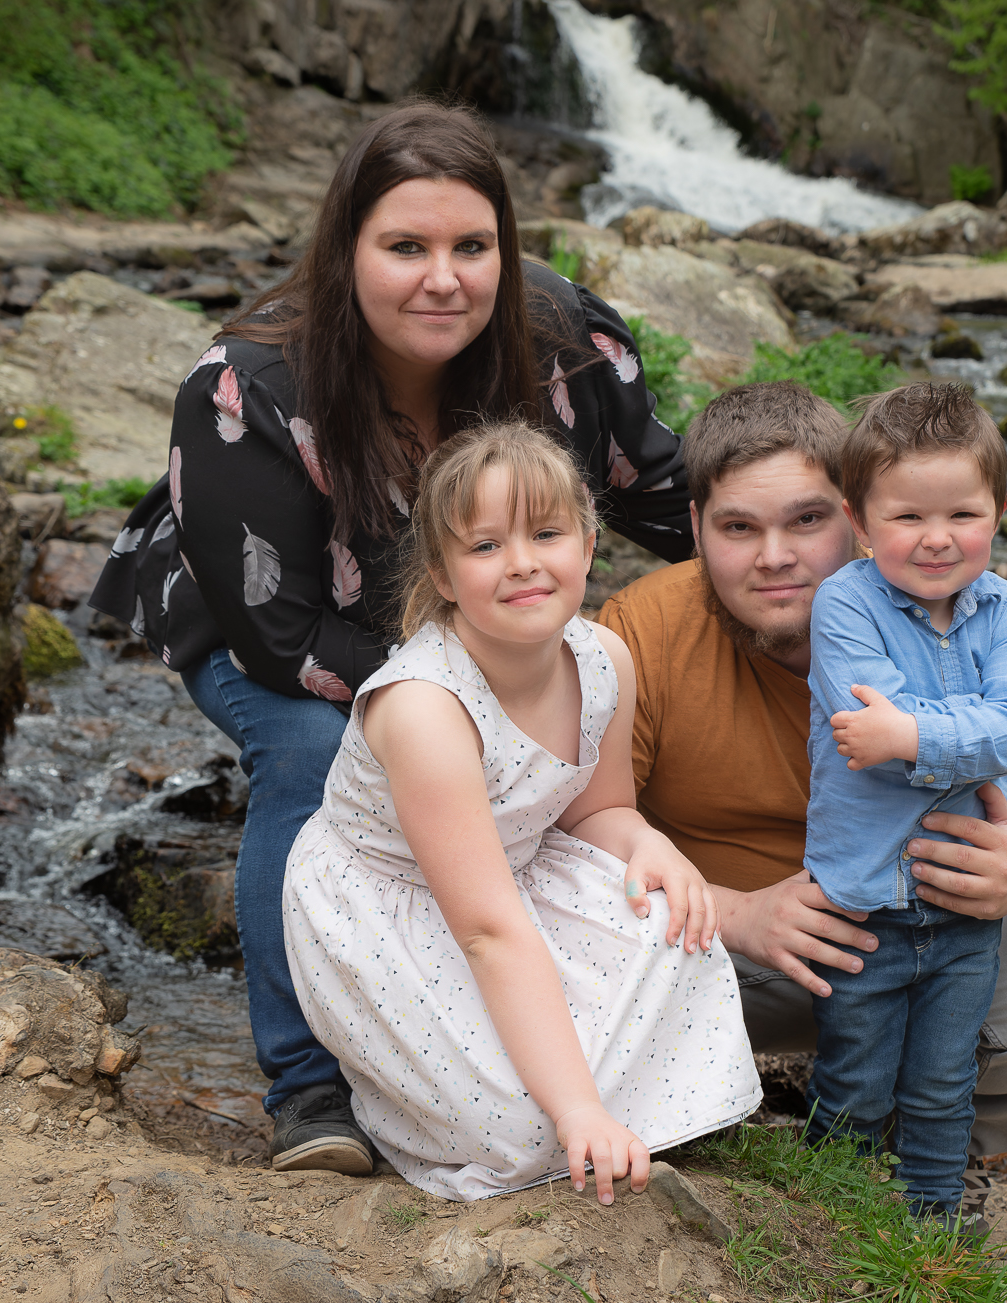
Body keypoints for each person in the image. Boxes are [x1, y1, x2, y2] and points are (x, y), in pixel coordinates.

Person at [88, 101, 697, 1173]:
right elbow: (281, 637)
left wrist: (826, 540)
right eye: (404, 247)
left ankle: (527, 1013)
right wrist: (475, 700)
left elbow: (658, 486)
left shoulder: (561, 346)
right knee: (316, 754)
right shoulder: (247, 390)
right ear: (345, 249)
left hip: (473, 627)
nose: (443, 278)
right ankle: (308, 1086)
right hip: (266, 630)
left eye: (472, 247)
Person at [596, 380, 1007, 1175]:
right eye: (739, 527)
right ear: (696, 528)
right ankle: (699, 1122)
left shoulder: (977, 633)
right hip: (730, 959)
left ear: (854, 518)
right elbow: (580, 830)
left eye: (806, 520)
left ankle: (933, 1157)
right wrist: (738, 914)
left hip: (936, 939)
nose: (775, 557)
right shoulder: (643, 629)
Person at [281, 422, 760, 1201]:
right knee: (530, 1130)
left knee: (673, 931)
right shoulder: (425, 710)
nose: (524, 564)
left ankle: (606, 1095)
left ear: (589, 541)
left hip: (518, 869)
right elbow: (487, 931)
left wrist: (648, 842)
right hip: (395, 907)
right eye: (485, 547)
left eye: (546, 532)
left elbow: (597, 810)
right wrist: (575, 1113)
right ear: (440, 571)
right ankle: (409, 1095)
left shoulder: (604, 658)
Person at [802, 383, 1007, 1226]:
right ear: (859, 522)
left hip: (963, 908)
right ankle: (832, 1223)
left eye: (962, 514)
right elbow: (863, 723)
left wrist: (909, 733)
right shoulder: (843, 602)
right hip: (862, 898)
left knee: (944, 1083)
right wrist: (948, 738)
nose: (936, 539)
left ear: (1000, 510)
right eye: (906, 517)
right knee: (855, 1076)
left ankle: (932, 1231)